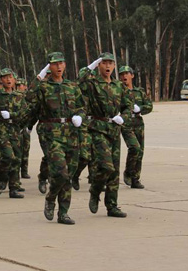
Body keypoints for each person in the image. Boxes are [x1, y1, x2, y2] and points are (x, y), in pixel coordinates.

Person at [27, 52, 85, 224]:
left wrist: (79, 116)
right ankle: (51, 198)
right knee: (60, 171)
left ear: (65, 65)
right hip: (50, 133)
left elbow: (82, 106)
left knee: (69, 174)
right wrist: (40, 76)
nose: (58, 67)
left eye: (61, 63)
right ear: (49, 67)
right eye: (54, 64)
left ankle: (64, 212)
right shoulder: (43, 87)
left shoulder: (72, 86)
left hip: (71, 133)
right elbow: (29, 96)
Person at [79, 53, 133, 218]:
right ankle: (95, 190)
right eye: (104, 63)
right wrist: (91, 66)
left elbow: (128, 106)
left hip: (114, 129)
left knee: (114, 170)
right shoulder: (93, 83)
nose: (108, 66)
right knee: (106, 166)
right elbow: (80, 80)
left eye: (111, 63)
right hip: (98, 128)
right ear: (99, 65)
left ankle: (112, 206)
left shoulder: (118, 86)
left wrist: (122, 117)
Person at [0, 68, 28, 199]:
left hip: (15, 128)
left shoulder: (19, 96)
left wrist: (13, 115)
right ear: (1, 80)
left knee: (17, 158)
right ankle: (2, 177)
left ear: (14, 79)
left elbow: (24, 113)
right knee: (8, 155)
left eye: (10, 77)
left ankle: (14, 188)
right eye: (5, 77)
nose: (8, 79)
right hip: (1, 128)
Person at [119, 65, 153, 189]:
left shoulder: (139, 92)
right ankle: (128, 172)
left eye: (127, 73)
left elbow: (149, 106)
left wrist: (141, 109)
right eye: (122, 74)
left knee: (140, 152)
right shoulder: (118, 91)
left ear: (132, 76)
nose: (124, 76)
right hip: (126, 124)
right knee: (135, 148)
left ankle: (135, 179)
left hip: (138, 124)